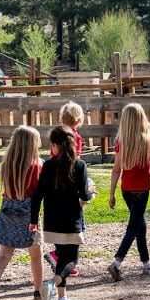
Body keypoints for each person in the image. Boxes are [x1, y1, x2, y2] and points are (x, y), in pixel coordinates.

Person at [0, 125, 48, 300]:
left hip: (8, 209)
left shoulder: (7, 164)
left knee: (4, 254)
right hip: (29, 214)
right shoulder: (38, 165)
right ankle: (37, 290)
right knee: (35, 254)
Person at [30, 125, 92, 300]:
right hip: (70, 222)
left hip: (52, 223)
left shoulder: (48, 165)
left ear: (56, 145)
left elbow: (37, 195)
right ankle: (51, 284)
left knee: (62, 259)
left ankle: (62, 299)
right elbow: (84, 195)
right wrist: (91, 194)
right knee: (71, 260)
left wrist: (33, 220)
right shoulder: (79, 165)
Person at [107, 103, 150, 281]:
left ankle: (146, 263)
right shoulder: (148, 141)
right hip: (142, 190)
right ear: (142, 119)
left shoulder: (120, 142)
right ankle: (117, 262)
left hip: (126, 190)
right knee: (133, 227)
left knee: (141, 224)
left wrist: (112, 193)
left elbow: (116, 170)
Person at [49, 102, 92, 276]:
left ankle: (61, 255)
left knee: (61, 224)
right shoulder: (76, 137)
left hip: (57, 183)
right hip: (71, 185)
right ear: (79, 118)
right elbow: (77, 163)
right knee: (75, 225)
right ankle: (62, 257)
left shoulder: (57, 135)